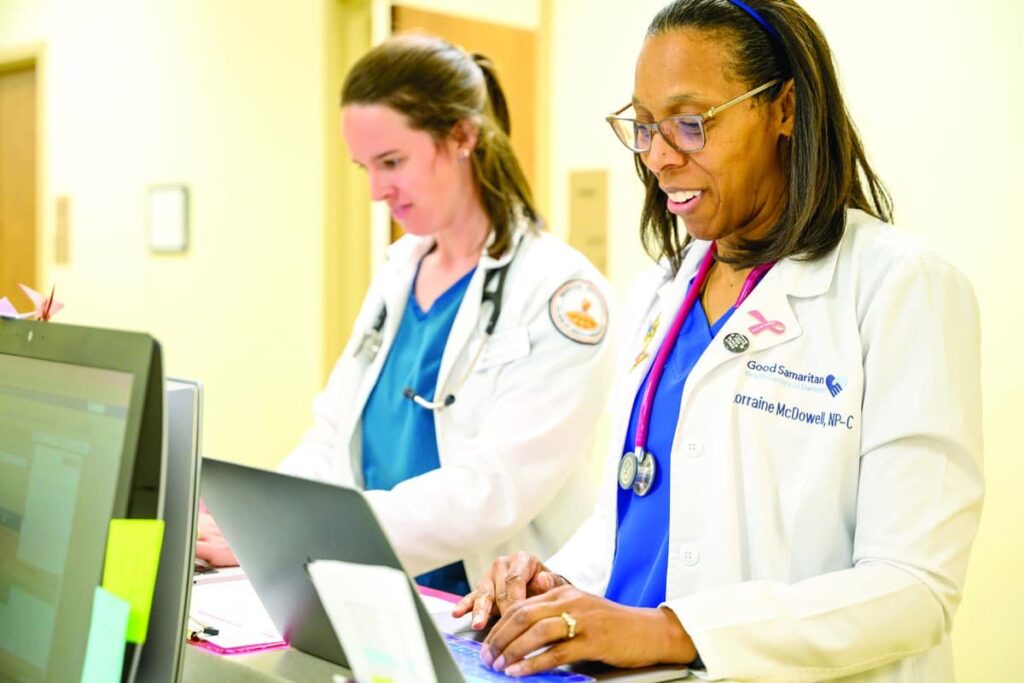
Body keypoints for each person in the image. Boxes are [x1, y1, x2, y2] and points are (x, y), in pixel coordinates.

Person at [454, 1, 983, 680]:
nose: (659, 157)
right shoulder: (661, 291)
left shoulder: (900, 287)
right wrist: (556, 585)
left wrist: (670, 631)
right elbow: (636, 518)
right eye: (643, 127)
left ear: (784, 108)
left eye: (690, 123)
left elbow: (913, 589)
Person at [196, 34, 615, 597]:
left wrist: (313, 532)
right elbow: (331, 436)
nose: (375, 191)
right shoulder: (400, 273)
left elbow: (493, 491)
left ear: (462, 135)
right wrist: (261, 521)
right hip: (374, 590)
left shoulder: (561, 291)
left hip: (488, 610)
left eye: (392, 162)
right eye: (364, 167)